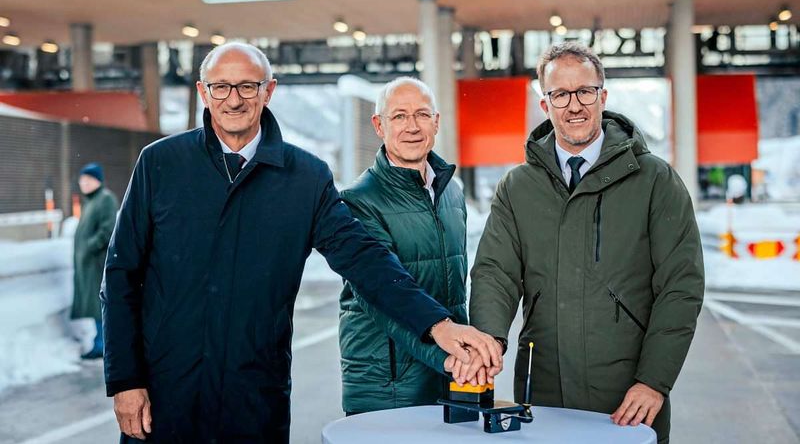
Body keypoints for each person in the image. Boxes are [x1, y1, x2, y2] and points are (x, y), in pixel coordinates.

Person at [101, 43, 502, 443]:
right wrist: (125, 380)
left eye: (247, 86)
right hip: (165, 393)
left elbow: (366, 262)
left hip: (256, 396)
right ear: (204, 93)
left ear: (268, 91)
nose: (234, 99)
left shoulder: (304, 179)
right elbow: (121, 274)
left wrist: (437, 325)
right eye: (221, 87)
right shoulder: (160, 164)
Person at [469, 42, 704, 443]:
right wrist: (489, 338)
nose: (573, 105)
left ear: (603, 96)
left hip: (627, 394)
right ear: (545, 105)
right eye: (560, 94)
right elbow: (496, 273)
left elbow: (680, 287)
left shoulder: (654, 181)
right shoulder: (518, 187)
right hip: (544, 389)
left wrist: (654, 380)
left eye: (584, 91)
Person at [339, 77, 487, 415]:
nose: (412, 127)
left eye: (421, 115)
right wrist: (451, 356)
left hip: (450, 374)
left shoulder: (451, 191)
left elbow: (455, 293)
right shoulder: (359, 200)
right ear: (379, 125)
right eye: (399, 116)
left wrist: (467, 353)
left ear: (436, 122)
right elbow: (381, 297)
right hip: (388, 385)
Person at [71, 162, 118, 360]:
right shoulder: (89, 201)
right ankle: (100, 342)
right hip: (88, 264)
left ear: (97, 181)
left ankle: (102, 345)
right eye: (82, 180)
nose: (84, 183)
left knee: (100, 303)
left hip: (97, 263)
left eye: (88, 180)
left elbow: (107, 230)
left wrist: (90, 247)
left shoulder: (105, 199)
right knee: (93, 304)